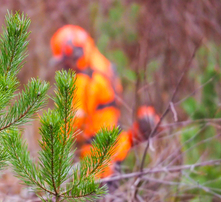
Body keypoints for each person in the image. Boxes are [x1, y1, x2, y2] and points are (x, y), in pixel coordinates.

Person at [50, 25, 160, 178]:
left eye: (66, 61)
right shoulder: (105, 69)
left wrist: (49, 138)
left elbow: (72, 124)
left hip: (96, 163)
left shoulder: (87, 80)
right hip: (112, 154)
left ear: (74, 53)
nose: (65, 67)